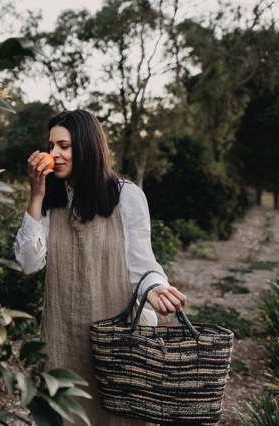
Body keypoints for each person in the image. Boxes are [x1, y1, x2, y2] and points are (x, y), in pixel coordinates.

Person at [14, 109, 187, 426]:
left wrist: (156, 287)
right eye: (52, 146)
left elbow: (142, 263)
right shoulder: (51, 200)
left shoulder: (126, 196)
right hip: (63, 337)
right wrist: (35, 195)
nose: (54, 154)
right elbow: (27, 264)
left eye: (64, 146)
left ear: (86, 145)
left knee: (116, 415)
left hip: (116, 341)